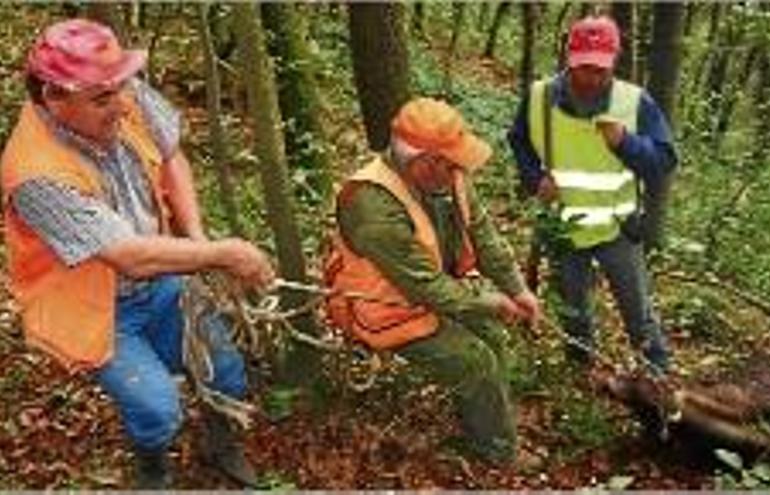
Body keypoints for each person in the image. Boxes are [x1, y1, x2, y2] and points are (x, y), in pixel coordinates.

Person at [1, 19, 275, 488]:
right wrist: (222, 254)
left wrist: (195, 236)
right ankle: (152, 463)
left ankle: (219, 442)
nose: (120, 104)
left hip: (163, 279)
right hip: (95, 307)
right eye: (102, 99)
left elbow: (171, 155)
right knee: (155, 409)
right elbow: (128, 256)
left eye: (120, 88)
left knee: (225, 369)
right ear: (54, 97)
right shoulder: (34, 174)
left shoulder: (121, 93)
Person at [324, 97, 542, 464]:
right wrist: (489, 301)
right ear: (423, 162)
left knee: (492, 337)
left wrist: (517, 289)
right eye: (451, 161)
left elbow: (484, 237)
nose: (460, 169)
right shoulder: (370, 204)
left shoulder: (451, 177)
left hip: (435, 292)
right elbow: (421, 285)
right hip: (385, 310)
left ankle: (490, 422)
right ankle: (498, 453)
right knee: (475, 361)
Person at [507, 15, 677, 374]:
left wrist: (625, 142)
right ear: (569, 59)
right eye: (584, 67)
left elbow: (663, 161)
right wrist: (533, 178)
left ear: (614, 62)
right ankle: (581, 378)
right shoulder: (539, 97)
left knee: (638, 313)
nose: (591, 78)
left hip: (618, 228)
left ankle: (660, 380)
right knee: (575, 314)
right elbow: (518, 140)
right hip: (565, 228)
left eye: (600, 69)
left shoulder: (635, 102)